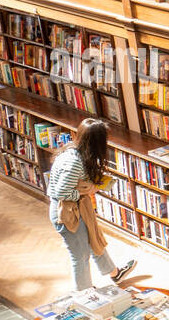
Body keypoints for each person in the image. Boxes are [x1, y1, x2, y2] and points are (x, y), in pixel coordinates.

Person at [47, 119, 135, 291]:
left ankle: (114, 273)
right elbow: (61, 193)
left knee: (92, 240)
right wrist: (85, 192)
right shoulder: (74, 163)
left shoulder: (73, 151)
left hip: (77, 208)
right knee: (80, 256)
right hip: (67, 213)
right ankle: (85, 293)